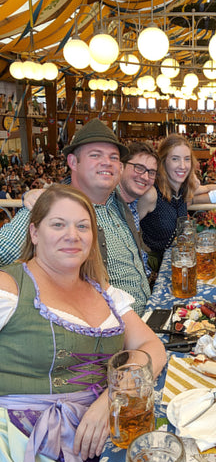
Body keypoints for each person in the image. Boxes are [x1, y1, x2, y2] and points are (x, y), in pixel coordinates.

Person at [0, 184, 166, 462]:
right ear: (34, 231)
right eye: (58, 224)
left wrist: (112, 396)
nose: (71, 235)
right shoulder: (9, 287)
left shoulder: (104, 293)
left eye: (82, 226)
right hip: (24, 443)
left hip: (102, 429)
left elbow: (153, 348)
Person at [0, 119, 152, 316]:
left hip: (144, 320)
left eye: (114, 157)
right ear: (73, 162)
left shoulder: (116, 200)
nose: (107, 162)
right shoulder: (49, 208)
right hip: (101, 335)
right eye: (95, 155)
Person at [138, 134, 199, 268]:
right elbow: (127, 226)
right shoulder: (151, 194)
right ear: (164, 161)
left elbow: (205, 191)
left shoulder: (182, 190)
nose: (183, 166)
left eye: (187, 159)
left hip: (175, 260)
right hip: (152, 267)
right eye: (175, 159)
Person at [118, 141, 159, 274]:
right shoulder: (107, 204)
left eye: (151, 172)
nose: (145, 177)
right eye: (139, 168)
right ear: (121, 167)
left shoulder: (135, 202)